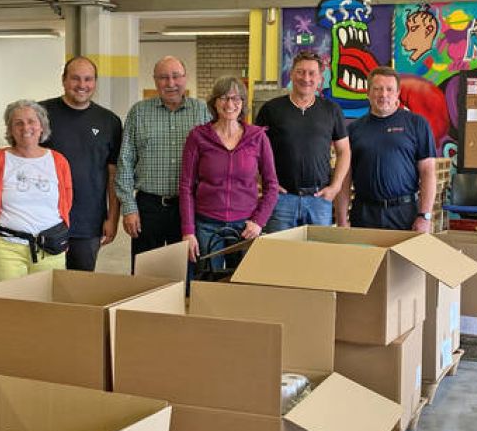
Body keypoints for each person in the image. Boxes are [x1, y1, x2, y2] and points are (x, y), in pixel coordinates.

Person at [116, 56, 209, 271]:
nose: (170, 83)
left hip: (189, 208)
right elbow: (125, 162)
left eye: (176, 76)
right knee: (145, 274)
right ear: (155, 80)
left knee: (187, 271)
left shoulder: (202, 111)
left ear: (185, 78)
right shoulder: (139, 112)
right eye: (163, 77)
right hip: (149, 208)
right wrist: (129, 208)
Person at [179, 76, 279, 269]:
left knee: (242, 282)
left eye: (236, 98)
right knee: (208, 281)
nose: (230, 104)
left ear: (243, 102)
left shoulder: (258, 137)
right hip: (206, 225)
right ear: (214, 102)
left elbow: (272, 185)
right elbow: (186, 187)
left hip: (245, 226)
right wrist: (188, 231)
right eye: (223, 98)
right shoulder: (198, 137)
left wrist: (259, 221)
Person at [40, 56, 122, 271]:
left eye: (88, 79)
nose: (82, 85)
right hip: (45, 218)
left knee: (79, 284)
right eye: (75, 78)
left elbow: (113, 175)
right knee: (43, 284)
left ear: (95, 82)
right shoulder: (41, 114)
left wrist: (112, 218)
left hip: (88, 222)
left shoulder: (109, 121)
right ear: (64, 80)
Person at [254, 50, 351, 232]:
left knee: (317, 250)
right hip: (280, 200)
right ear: (291, 74)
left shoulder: (332, 110)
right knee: (280, 250)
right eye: (300, 72)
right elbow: (253, 150)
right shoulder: (271, 109)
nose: (306, 78)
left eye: (312, 73)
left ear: (320, 78)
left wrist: (335, 187)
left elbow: (344, 151)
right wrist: (263, 181)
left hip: (319, 200)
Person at [0, 100, 73, 282]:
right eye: (18, 123)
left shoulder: (59, 161)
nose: (25, 127)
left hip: (50, 248)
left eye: (31, 121)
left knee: (45, 299)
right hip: (5, 249)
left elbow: (66, 202)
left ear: (41, 126)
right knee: (7, 300)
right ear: (10, 129)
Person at [337, 66, 437, 231]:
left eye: (389, 89)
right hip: (364, 214)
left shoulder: (417, 124)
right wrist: (341, 220)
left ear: (398, 93)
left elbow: (428, 171)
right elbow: (344, 178)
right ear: (368, 93)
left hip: (404, 214)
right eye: (377, 89)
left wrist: (424, 216)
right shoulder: (353, 129)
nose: (383, 94)